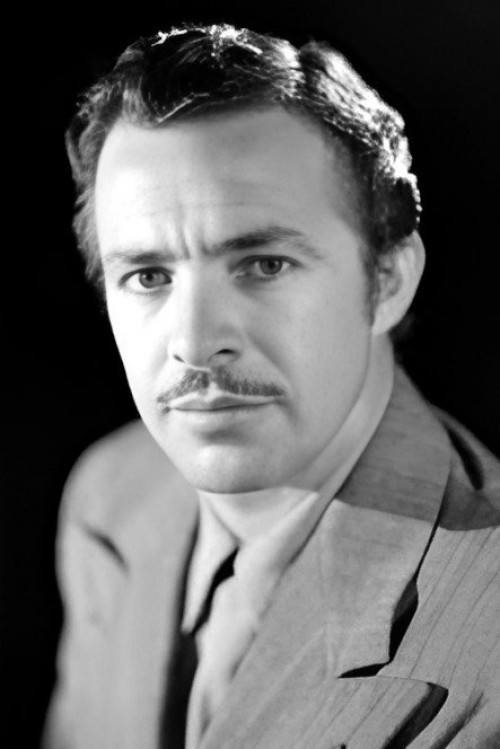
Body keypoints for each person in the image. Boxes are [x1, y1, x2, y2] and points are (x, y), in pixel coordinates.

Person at [43, 23, 500, 749]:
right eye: (148, 276)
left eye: (263, 265)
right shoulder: (109, 496)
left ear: (387, 279)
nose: (195, 342)